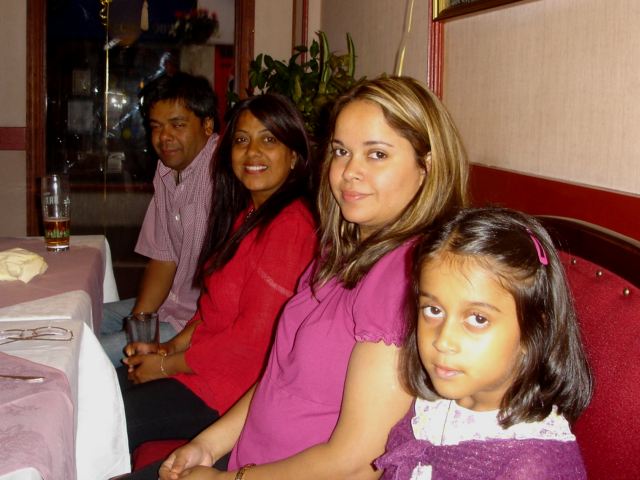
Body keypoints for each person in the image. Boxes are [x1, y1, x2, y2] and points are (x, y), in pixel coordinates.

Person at [145, 75, 470, 480]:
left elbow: (359, 461)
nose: (349, 171)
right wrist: (208, 444)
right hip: (253, 459)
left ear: (427, 166)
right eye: (341, 151)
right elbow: (279, 377)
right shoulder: (338, 253)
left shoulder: (405, 277)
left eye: (377, 154)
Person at [118, 93, 318, 455]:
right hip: (203, 371)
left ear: (294, 156)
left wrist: (164, 366)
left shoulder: (291, 227)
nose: (252, 152)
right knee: (96, 389)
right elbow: (210, 311)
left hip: (231, 392)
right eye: (242, 140)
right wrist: (167, 347)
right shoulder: (248, 215)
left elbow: (251, 342)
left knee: (101, 418)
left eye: (269, 140)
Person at [375, 207, 593, 479]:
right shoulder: (432, 408)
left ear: (534, 331)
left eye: (478, 318)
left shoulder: (532, 467)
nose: (443, 340)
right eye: (433, 310)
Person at [101, 73, 219, 366]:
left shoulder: (223, 175)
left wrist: (137, 340)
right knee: (76, 319)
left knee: (86, 354)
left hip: (199, 324)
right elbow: (163, 258)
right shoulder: (167, 170)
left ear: (207, 125)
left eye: (177, 125)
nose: (164, 137)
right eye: (156, 127)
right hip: (170, 305)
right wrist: (138, 325)